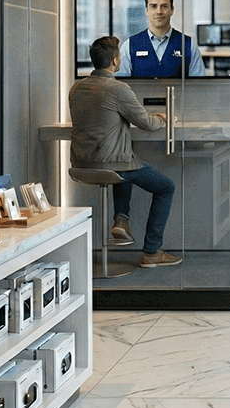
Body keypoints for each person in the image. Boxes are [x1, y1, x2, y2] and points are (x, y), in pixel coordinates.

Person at [69, 36, 182, 268]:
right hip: (113, 165)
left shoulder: (75, 88)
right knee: (164, 186)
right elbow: (147, 124)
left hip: (80, 165)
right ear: (115, 61)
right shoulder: (119, 89)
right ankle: (151, 252)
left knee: (127, 162)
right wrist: (163, 119)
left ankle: (121, 220)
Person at [117, 0, 206, 78]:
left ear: (172, 10)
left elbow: (199, 87)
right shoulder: (129, 46)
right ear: (146, 11)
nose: (159, 11)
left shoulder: (189, 46)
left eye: (164, 6)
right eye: (153, 6)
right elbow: (121, 87)